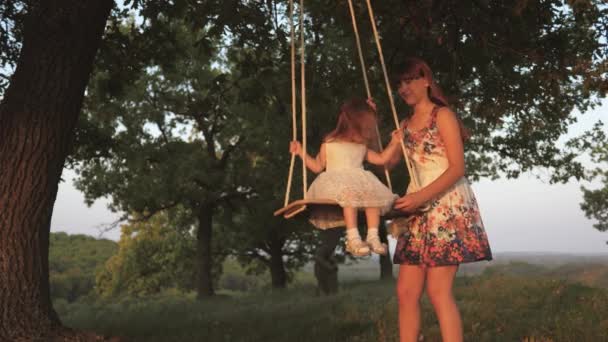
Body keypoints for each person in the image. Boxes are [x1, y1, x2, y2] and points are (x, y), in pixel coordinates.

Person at [383, 57, 493, 342]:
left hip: (446, 206)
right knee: (405, 292)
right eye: (399, 84)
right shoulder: (405, 124)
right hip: (417, 209)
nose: (403, 88)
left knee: (437, 291)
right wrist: (371, 123)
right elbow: (385, 162)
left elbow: (457, 167)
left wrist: (420, 196)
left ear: (426, 80)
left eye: (409, 81)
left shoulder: (442, 115)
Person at [290, 98, 402, 257]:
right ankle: (353, 238)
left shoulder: (361, 146)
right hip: (334, 185)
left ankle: (373, 237)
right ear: (356, 124)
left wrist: (394, 142)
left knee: (372, 197)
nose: (369, 130)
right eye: (367, 126)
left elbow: (382, 159)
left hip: (360, 181)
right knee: (350, 195)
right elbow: (317, 166)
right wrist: (300, 152)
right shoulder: (329, 144)